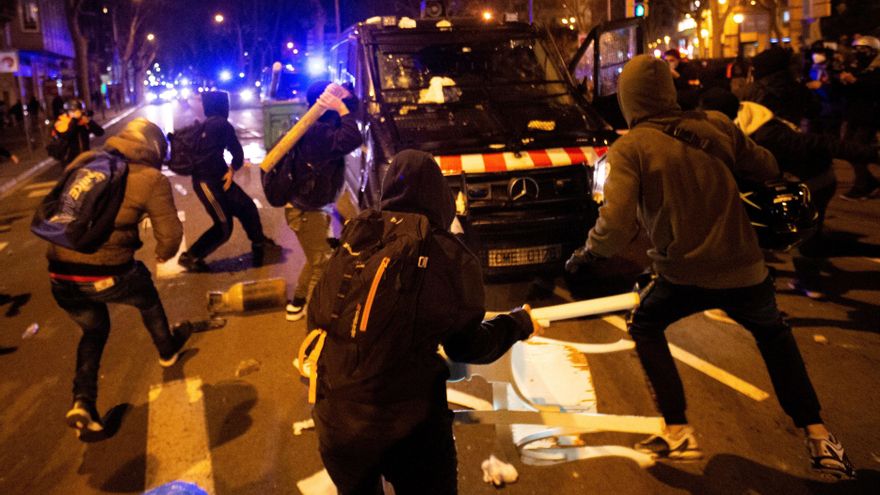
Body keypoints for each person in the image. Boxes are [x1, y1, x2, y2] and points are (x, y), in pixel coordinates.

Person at [565, 55, 856, 479]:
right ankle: (820, 436)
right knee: (774, 336)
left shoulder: (630, 149)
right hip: (744, 266)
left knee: (645, 325)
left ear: (628, 98)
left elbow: (614, 226)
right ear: (668, 91)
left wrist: (585, 256)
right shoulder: (716, 125)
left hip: (682, 272)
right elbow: (767, 166)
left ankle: (678, 429)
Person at [312, 149, 541, 494]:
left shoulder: (356, 241)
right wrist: (519, 324)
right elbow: (469, 345)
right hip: (408, 428)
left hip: (337, 424)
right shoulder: (447, 254)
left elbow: (320, 321)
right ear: (439, 195)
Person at [46, 118, 189, 438]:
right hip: (106, 274)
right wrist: (164, 254)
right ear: (154, 149)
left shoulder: (85, 160)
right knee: (146, 296)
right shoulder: (151, 178)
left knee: (93, 331)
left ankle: (83, 401)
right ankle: (167, 350)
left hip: (59, 273)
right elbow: (170, 233)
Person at [699, 88, 877, 298]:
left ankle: (803, 283)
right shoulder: (747, 121)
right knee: (804, 238)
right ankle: (808, 281)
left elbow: (822, 143)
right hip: (799, 182)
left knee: (795, 237)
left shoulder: (767, 134)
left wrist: (873, 154)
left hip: (812, 183)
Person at [281, 81, 362, 321]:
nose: (343, 102)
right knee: (322, 263)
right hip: (305, 211)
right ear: (324, 103)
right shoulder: (316, 131)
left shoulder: (324, 123)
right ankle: (316, 319)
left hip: (314, 206)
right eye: (336, 98)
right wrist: (341, 108)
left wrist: (342, 104)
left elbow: (353, 106)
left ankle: (297, 302)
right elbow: (351, 139)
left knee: (317, 257)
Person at [177, 91, 275, 272]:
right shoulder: (223, 124)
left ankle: (259, 242)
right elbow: (237, 153)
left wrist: (229, 171)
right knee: (224, 225)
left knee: (246, 207)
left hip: (216, 179)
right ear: (223, 106)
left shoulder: (206, 124)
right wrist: (233, 168)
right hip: (208, 183)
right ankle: (191, 256)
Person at [837, 36, 880, 200]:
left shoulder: (876, 70)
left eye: (864, 49)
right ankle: (868, 182)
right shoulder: (856, 66)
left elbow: (873, 89)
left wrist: (856, 82)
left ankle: (863, 185)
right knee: (848, 150)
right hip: (854, 115)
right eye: (858, 49)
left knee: (857, 150)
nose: (860, 53)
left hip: (869, 117)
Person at [52, 99, 105, 164]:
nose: (77, 113)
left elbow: (100, 132)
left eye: (79, 110)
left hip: (85, 157)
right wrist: (74, 121)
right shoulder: (62, 121)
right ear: (67, 112)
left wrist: (89, 122)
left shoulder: (83, 121)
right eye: (73, 111)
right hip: (70, 160)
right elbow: (66, 135)